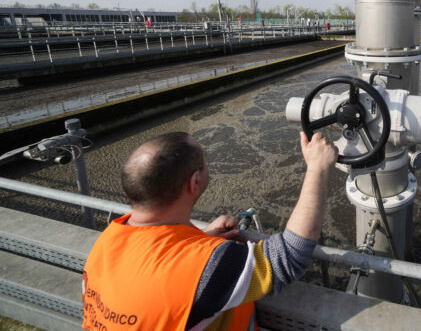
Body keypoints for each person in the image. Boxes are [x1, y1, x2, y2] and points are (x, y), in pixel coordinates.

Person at [82, 130, 338, 331]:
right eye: (204, 162)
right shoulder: (205, 267)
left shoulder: (108, 240)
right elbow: (290, 256)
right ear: (195, 183)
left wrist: (200, 241)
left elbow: (152, 276)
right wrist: (317, 168)